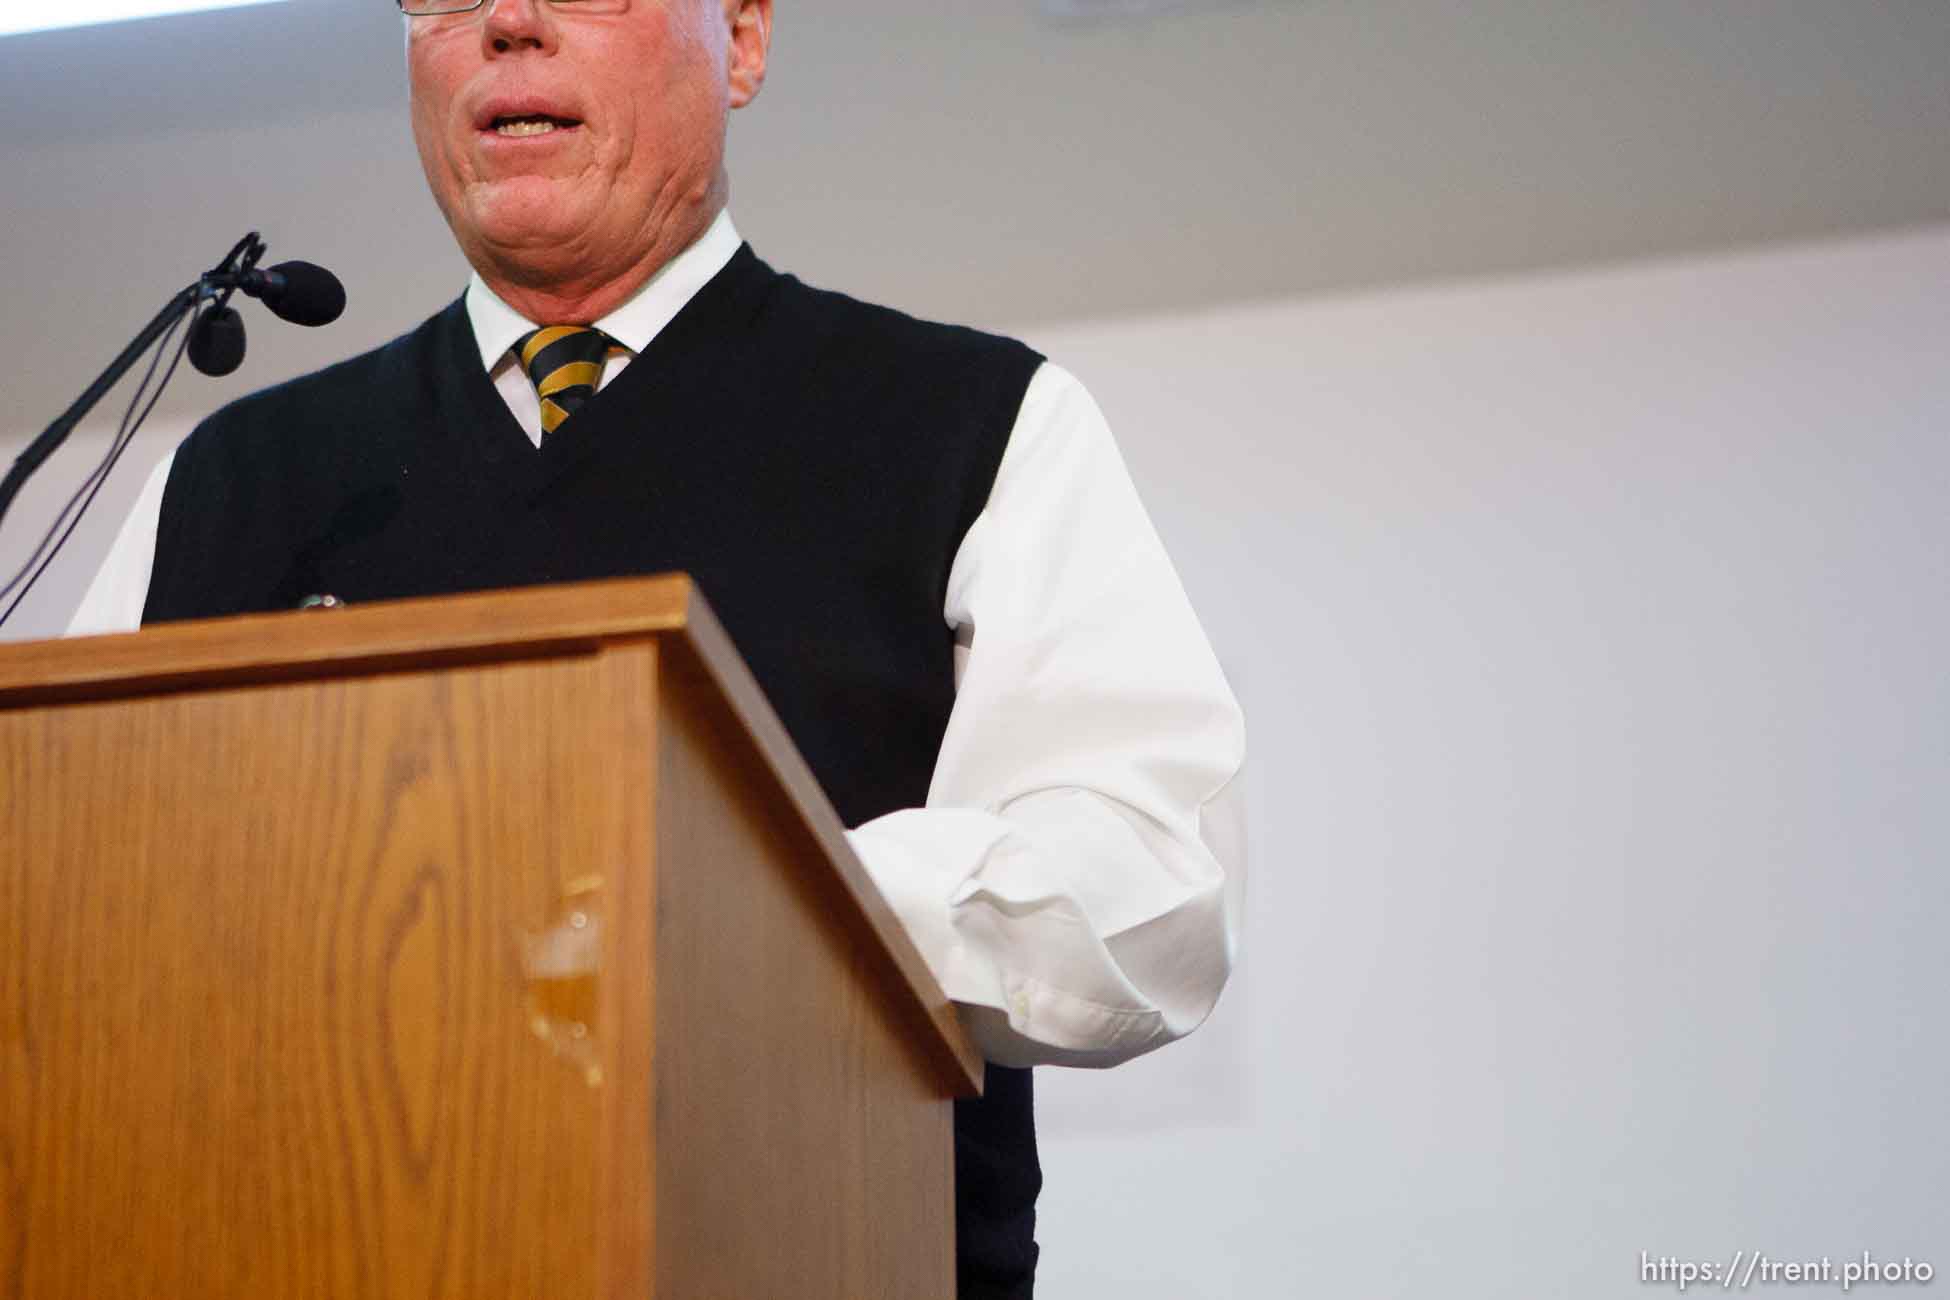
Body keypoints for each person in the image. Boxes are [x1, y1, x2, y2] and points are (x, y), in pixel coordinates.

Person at [69, 2, 1244, 1295]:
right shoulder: (238, 476)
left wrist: (736, 909)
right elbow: (66, 911)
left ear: (739, 40)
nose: (507, 21)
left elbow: (1149, 892)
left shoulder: (970, 423)